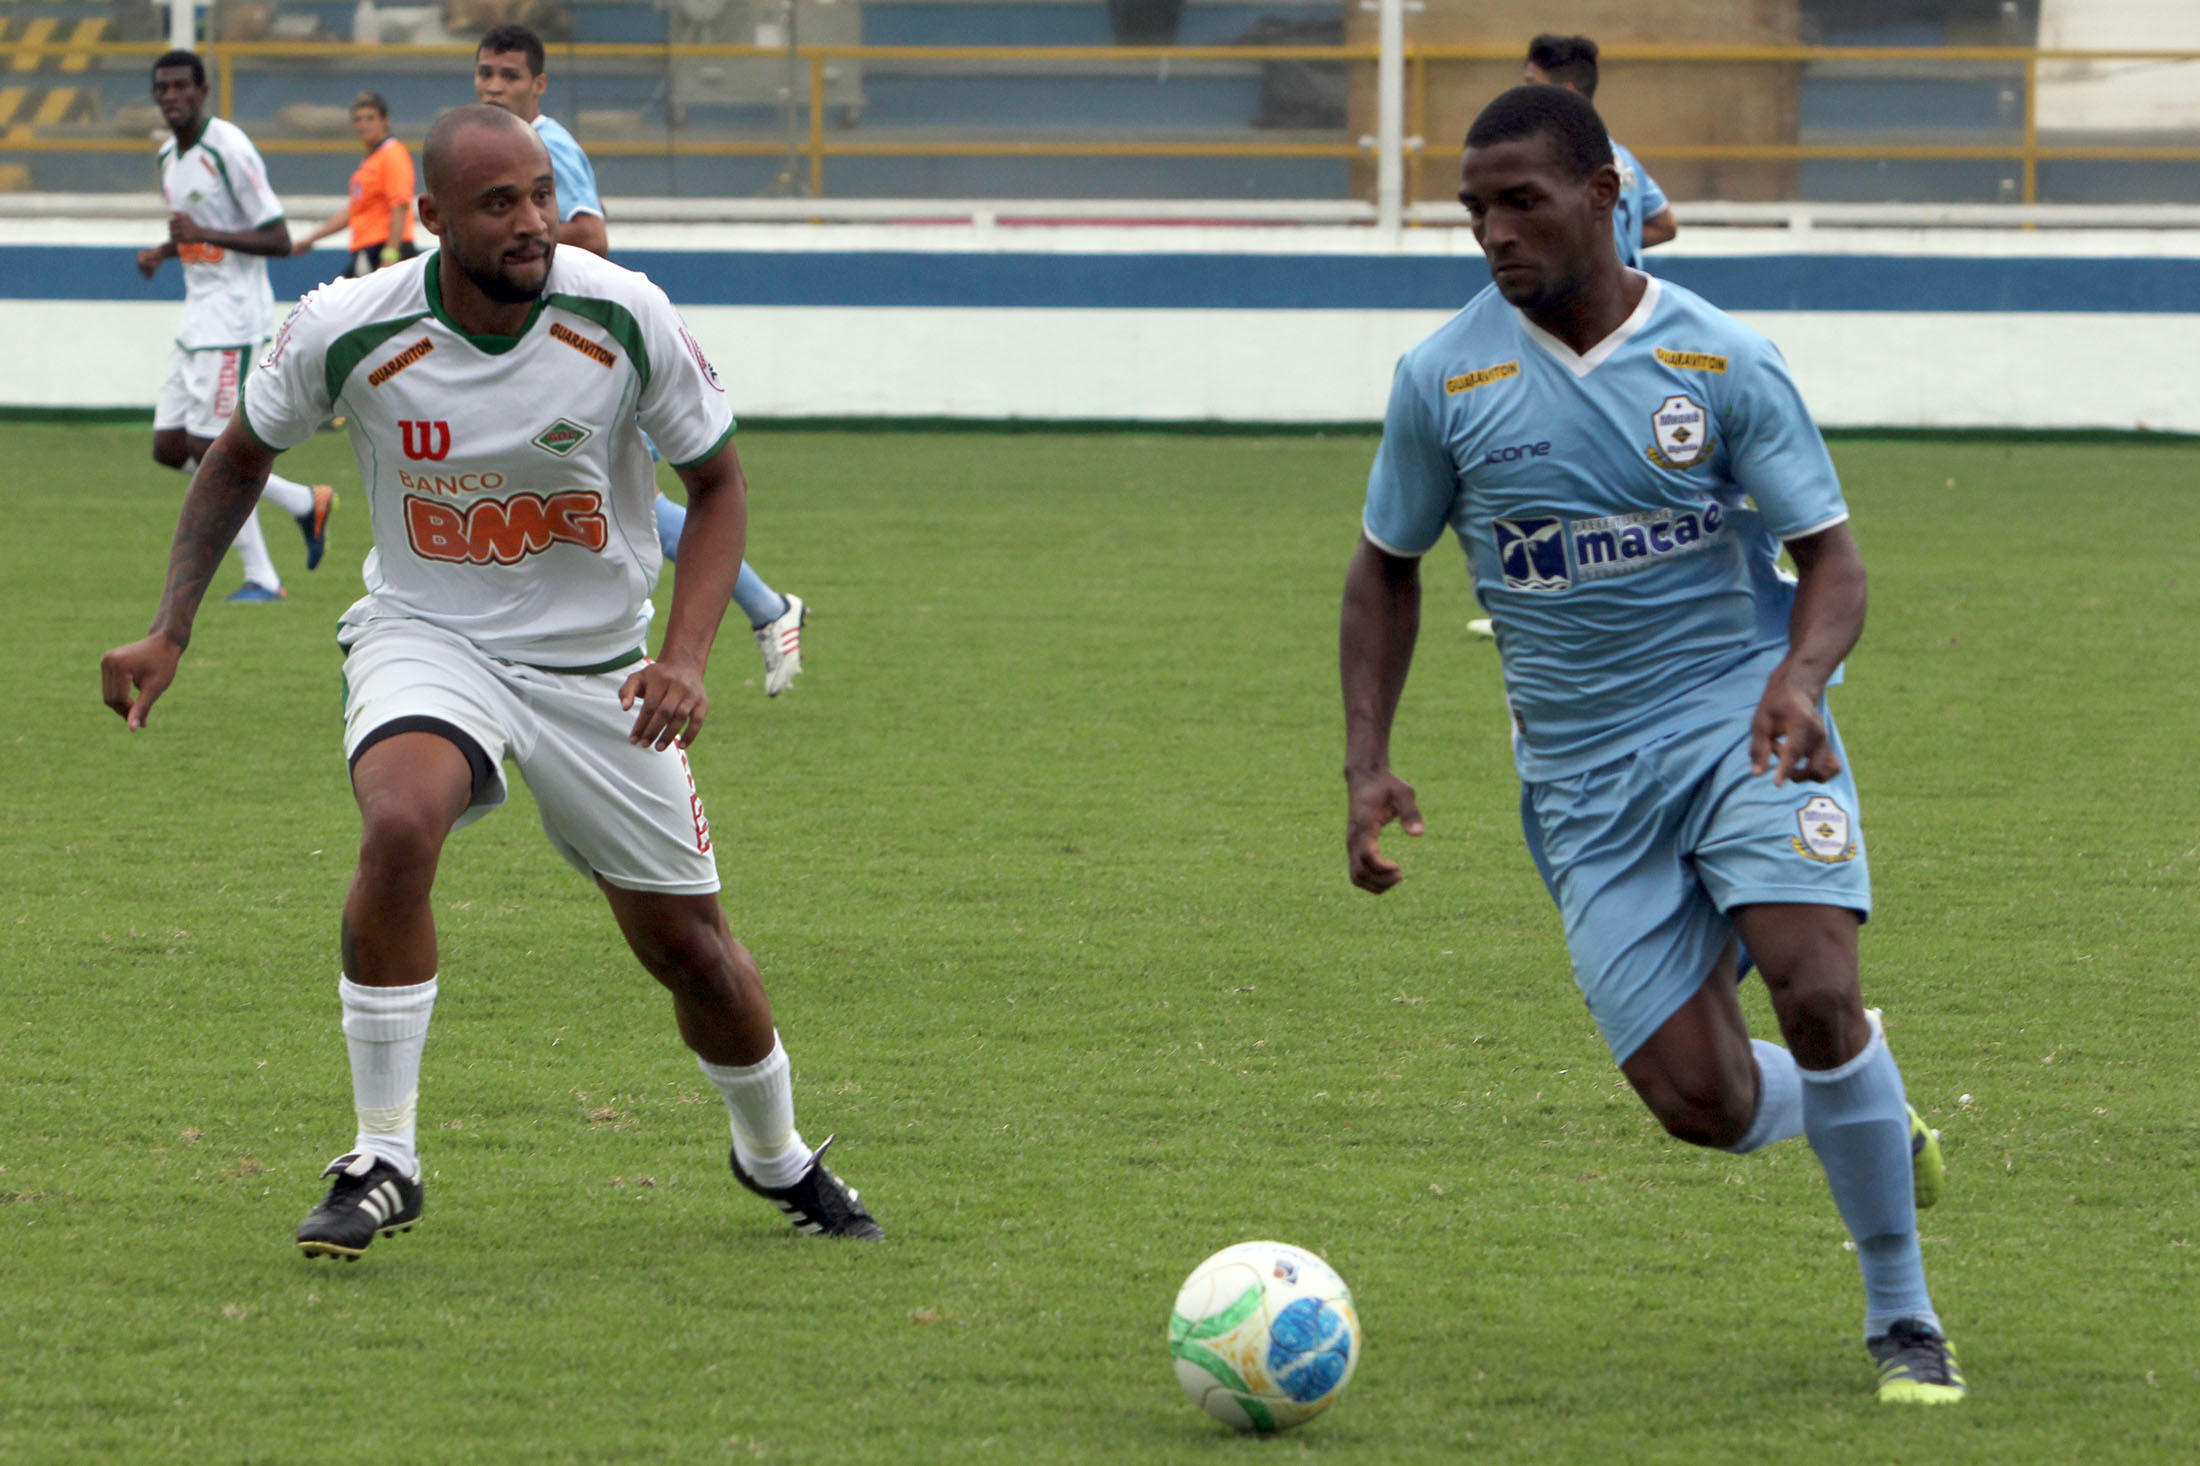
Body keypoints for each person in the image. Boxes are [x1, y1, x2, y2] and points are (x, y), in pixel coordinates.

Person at [100, 104, 883, 1255]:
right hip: (430, 635)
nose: (533, 223)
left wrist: (683, 655)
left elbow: (718, 488)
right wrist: (170, 628)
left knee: (691, 950)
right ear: (433, 220)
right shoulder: (346, 326)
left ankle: (774, 1155)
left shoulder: (623, 313)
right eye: (500, 203)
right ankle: (384, 1154)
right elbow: (237, 458)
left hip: (599, 670)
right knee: (403, 819)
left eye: (540, 196)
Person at [1338, 85, 1964, 1403]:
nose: (1494, 234)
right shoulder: (1443, 379)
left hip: (1741, 718)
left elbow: (1832, 559)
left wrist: (1801, 674)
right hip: (1581, 774)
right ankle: (1863, 1111)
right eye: (1475, 212)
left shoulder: (1723, 359)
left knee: (1814, 980)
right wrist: (1367, 762)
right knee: (1705, 1101)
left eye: (1522, 203)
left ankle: (1901, 1311)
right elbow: (1384, 568)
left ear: (1606, 195)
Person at [473, 23, 808, 695]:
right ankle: (767, 611)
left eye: (509, 76)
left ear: (539, 84)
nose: (493, 87)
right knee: (615, 503)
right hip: (551, 353)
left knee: (626, 506)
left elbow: (592, 235)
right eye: (485, 74)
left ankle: (757, 614)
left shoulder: (545, 145)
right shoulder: (504, 149)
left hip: (584, 353)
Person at [141, 49, 336, 600]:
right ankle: (304, 502)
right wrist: (163, 249)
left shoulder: (227, 148)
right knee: (169, 447)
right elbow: (198, 236)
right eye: (163, 88)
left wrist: (203, 231)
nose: (172, 96)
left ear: (203, 92)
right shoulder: (166, 158)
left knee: (212, 450)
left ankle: (263, 578)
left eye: (183, 86)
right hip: (196, 316)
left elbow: (275, 238)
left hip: (233, 318)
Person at [1525, 34, 1677, 270]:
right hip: (1624, 297)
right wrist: (1619, 248)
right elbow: (1665, 226)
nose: (1523, 99)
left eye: (1533, 87)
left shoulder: (1556, 162)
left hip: (1580, 300)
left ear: (1568, 93)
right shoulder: (1624, 159)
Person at [290, 91, 419, 278]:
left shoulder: (393, 155)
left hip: (383, 249)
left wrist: (390, 255)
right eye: (358, 120)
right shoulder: (372, 161)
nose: (363, 125)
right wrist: (311, 238)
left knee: (342, 302)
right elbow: (353, 211)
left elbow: (400, 206)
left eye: (370, 118)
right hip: (368, 249)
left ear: (385, 120)